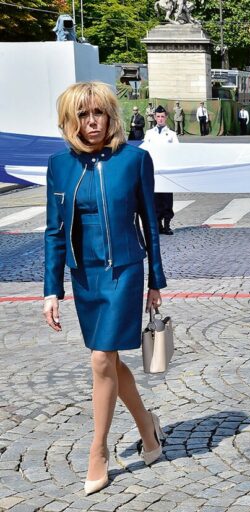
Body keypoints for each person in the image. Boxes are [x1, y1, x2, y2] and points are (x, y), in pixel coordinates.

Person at [43, 81, 167, 495]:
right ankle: (147, 428)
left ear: (111, 115)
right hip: (85, 276)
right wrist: (51, 290)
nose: (91, 121)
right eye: (82, 114)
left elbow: (150, 224)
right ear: (70, 120)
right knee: (108, 360)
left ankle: (97, 450)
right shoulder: (59, 165)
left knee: (100, 358)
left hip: (124, 271)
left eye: (98, 112)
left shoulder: (134, 159)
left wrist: (155, 280)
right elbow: (54, 231)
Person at [143, 105, 178, 235]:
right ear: (155, 117)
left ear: (166, 117)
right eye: (158, 116)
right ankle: (158, 224)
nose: (160, 119)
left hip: (166, 170)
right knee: (155, 198)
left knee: (167, 198)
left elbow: (177, 151)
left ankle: (167, 224)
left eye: (162, 116)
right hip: (153, 170)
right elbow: (145, 150)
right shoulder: (149, 133)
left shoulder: (172, 134)